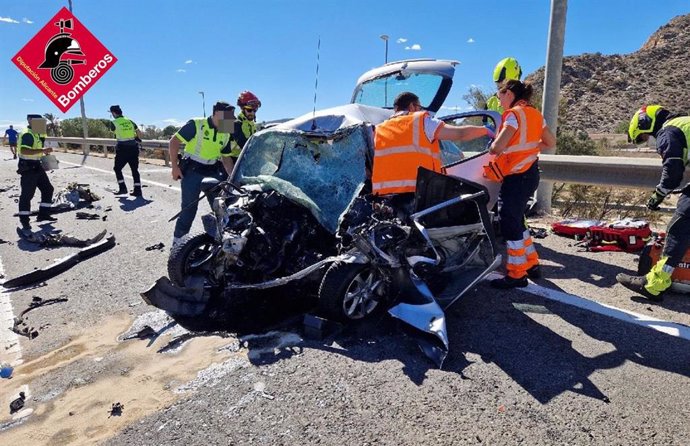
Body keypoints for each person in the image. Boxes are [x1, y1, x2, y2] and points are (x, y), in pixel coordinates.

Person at [484, 80, 556, 289]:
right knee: (517, 220)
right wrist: (529, 150)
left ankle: (517, 274)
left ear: (510, 93)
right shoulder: (534, 114)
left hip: (516, 177)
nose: (499, 98)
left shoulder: (514, 115)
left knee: (509, 223)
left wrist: (493, 144)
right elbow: (550, 143)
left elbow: (496, 148)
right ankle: (532, 264)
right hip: (531, 173)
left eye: (500, 94)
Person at [616, 105, 690, 302]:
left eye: (644, 137)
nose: (651, 142)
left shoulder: (668, 131)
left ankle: (655, 284)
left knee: (679, 228)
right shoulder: (684, 124)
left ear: (645, 123)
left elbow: (673, 170)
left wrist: (657, 196)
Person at [372, 92, 492, 205]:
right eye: (420, 107)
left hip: (386, 200)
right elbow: (460, 134)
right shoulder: (421, 121)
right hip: (419, 195)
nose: (421, 110)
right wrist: (485, 130)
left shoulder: (379, 129)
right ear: (412, 106)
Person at [169, 101, 236, 245]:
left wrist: (232, 177)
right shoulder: (197, 124)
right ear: (217, 113)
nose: (231, 118)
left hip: (212, 171)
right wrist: (174, 167)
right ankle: (178, 243)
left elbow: (226, 157)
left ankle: (221, 242)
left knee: (221, 208)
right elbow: (174, 142)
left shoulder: (226, 128)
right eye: (228, 115)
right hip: (192, 170)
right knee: (189, 209)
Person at [17, 114, 57, 232]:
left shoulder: (38, 132)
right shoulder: (27, 133)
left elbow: (39, 146)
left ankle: (43, 214)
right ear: (30, 121)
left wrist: (47, 157)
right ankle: (24, 221)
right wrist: (42, 150)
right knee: (27, 194)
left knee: (48, 189)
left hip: (37, 164)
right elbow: (24, 150)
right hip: (28, 167)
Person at [107, 105, 143, 196]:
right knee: (134, 169)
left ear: (114, 113)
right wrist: (136, 138)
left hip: (122, 148)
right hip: (133, 148)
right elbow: (139, 133)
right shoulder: (130, 121)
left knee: (117, 168)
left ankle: (123, 188)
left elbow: (114, 132)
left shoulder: (114, 122)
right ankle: (138, 190)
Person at [229, 91, 261, 163]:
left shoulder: (252, 124)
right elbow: (245, 145)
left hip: (244, 159)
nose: (252, 113)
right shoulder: (234, 123)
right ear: (242, 108)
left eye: (255, 110)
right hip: (232, 161)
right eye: (249, 110)